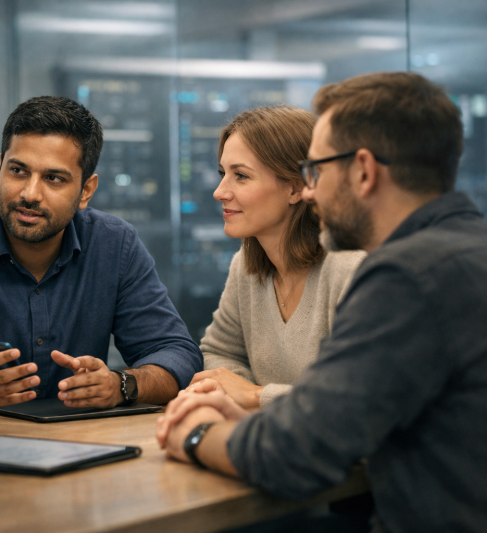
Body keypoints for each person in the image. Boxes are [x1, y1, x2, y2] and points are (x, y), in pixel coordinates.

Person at [156, 71, 487, 532]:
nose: (311, 190)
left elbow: (295, 453)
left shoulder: (406, 277)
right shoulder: (465, 250)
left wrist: (193, 432)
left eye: (317, 170)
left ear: (365, 171)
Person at [0, 96, 202, 409]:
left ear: (86, 190)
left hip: (81, 446)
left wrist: (121, 384)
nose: (30, 193)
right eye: (18, 171)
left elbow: (177, 354)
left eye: (53, 178)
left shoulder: (115, 246)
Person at [188, 106, 364, 408]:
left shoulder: (351, 267)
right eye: (223, 174)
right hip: (278, 439)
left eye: (240, 176)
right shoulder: (245, 266)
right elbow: (219, 353)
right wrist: (242, 392)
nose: (219, 191)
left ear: (297, 188)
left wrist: (256, 395)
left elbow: (361, 395)